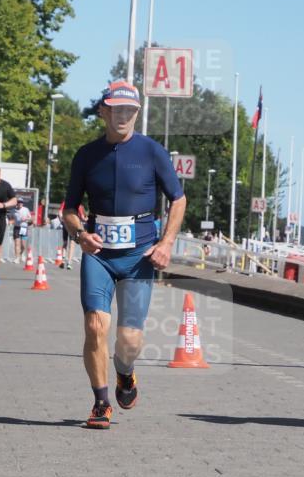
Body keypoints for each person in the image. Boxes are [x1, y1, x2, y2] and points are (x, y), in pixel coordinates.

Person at [62, 80, 186, 430]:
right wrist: (80, 235)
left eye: (129, 110)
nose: (122, 116)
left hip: (139, 256)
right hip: (99, 255)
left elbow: (178, 199)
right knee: (94, 326)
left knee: (129, 339)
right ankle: (101, 401)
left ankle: (125, 373)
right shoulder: (87, 155)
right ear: (104, 111)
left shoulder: (151, 152)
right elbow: (69, 208)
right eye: (116, 109)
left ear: (137, 113)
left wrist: (166, 244)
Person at [59, 200, 86, 270]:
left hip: (65, 224)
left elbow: (60, 213)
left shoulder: (65, 202)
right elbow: (83, 217)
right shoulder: (79, 205)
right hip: (73, 225)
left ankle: (63, 259)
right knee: (72, 243)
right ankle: (69, 262)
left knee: (65, 242)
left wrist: (62, 220)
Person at [12, 199, 33, 263]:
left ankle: (22, 254)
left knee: (23, 244)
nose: (20, 203)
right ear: (17, 203)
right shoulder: (13, 210)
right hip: (17, 228)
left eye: (21, 202)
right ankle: (17, 258)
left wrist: (25, 219)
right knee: (16, 243)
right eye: (19, 202)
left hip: (23, 227)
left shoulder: (25, 209)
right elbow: (10, 218)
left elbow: (30, 218)